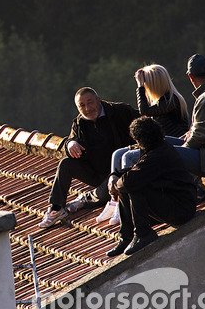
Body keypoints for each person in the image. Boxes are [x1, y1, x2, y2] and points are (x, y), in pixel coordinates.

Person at [38, 87, 138, 228]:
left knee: (110, 190)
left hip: (121, 172)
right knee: (66, 164)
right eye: (82, 106)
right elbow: (70, 141)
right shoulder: (79, 123)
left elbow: (145, 124)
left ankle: (85, 199)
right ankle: (56, 208)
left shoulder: (120, 111)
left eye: (90, 103)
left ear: (98, 100)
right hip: (96, 173)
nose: (87, 108)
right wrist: (71, 144)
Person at [106, 116, 197, 257]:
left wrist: (115, 183)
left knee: (132, 185)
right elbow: (136, 170)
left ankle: (143, 234)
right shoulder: (156, 147)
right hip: (172, 201)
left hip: (181, 209)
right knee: (127, 184)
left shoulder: (158, 154)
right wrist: (115, 175)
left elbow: (131, 180)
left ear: (140, 140)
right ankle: (126, 236)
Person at [110, 64, 189, 178]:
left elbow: (144, 111)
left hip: (174, 145)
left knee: (128, 157)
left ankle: (129, 191)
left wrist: (140, 87)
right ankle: (117, 189)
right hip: (161, 143)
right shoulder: (162, 101)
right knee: (117, 154)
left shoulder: (171, 100)